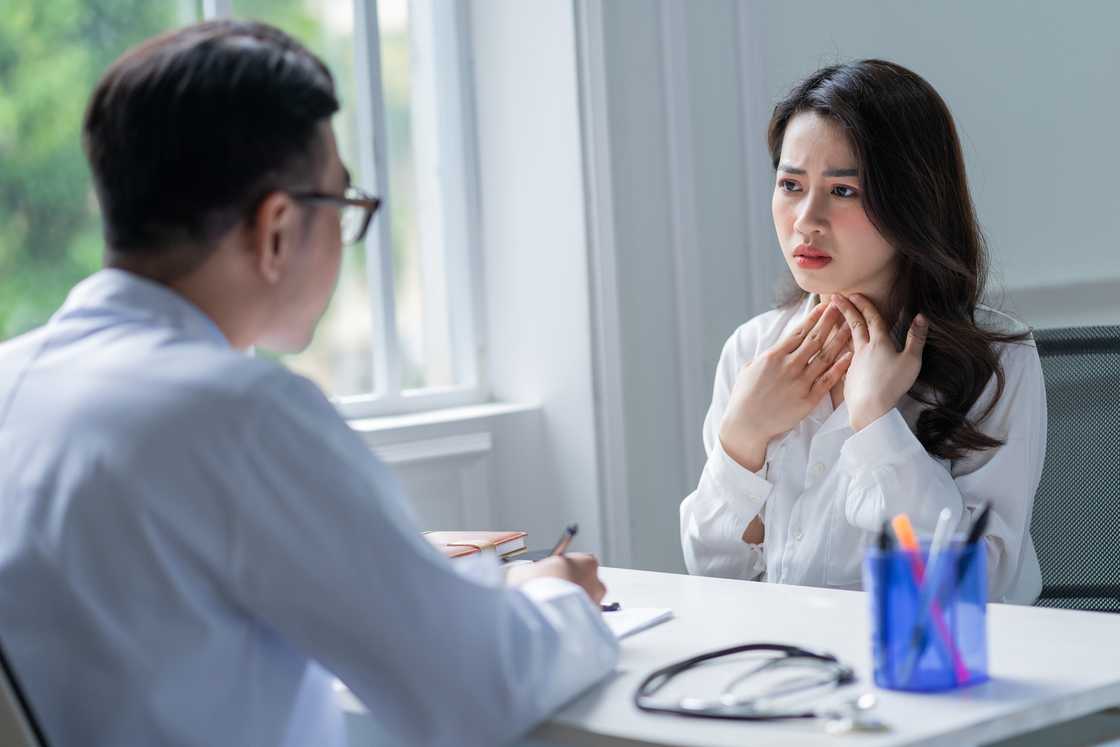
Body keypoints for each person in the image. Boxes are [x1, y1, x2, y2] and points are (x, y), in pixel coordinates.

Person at [0, 20, 617, 747]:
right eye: (344, 202)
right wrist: (553, 594)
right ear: (278, 228)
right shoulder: (237, 414)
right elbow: (483, 685)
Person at [679, 59, 1046, 604]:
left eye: (844, 191)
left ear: (913, 199)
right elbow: (715, 582)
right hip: (786, 670)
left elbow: (978, 588)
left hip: (931, 679)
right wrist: (743, 440)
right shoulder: (752, 351)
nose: (806, 219)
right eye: (790, 184)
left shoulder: (997, 359)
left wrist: (875, 420)